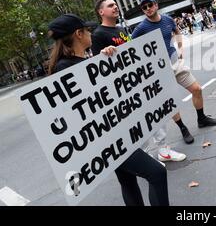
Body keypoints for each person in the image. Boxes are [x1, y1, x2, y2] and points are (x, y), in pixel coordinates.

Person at [47, 13, 169, 206]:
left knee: (127, 181)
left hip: (113, 135)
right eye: (87, 30)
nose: (91, 34)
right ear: (79, 34)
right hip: (107, 141)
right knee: (157, 173)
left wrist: (108, 61)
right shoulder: (66, 68)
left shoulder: (81, 63)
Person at [91, 0, 191, 163]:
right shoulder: (98, 34)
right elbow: (97, 66)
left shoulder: (121, 29)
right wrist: (103, 53)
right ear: (101, 12)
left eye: (116, 4)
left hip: (139, 82)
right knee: (138, 124)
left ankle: (163, 151)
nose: (115, 7)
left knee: (156, 115)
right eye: (110, 5)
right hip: (123, 89)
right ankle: (146, 159)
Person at [132, 0, 216, 144]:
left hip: (175, 63)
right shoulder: (141, 28)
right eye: (144, 7)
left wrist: (180, 49)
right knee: (171, 101)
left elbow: (177, 32)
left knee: (197, 89)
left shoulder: (167, 19)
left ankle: (202, 118)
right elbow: (130, 46)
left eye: (149, 5)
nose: (147, 9)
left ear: (156, 5)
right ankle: (182, 128)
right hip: (159, 70)